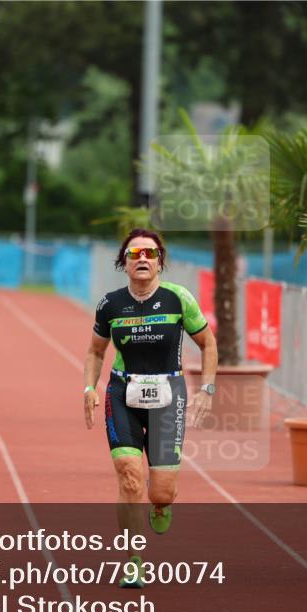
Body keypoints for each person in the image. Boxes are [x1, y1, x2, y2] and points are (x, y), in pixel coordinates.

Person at [83, 229, 217, 588]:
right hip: (122, 391)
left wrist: (207, 388)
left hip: (168, 396)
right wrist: (89, 387)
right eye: (134, 253)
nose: (142, 258)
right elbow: (96, 351)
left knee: (160, 491)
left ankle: (161, 503)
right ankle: (133, 561)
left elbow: (207, 343)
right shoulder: (109, 304)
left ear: (160, 261)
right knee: (129, 475)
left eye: (150, 253)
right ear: (123, 262)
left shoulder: (178, 299)